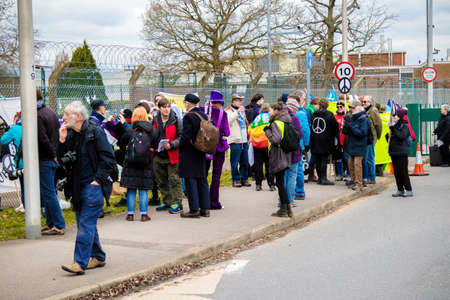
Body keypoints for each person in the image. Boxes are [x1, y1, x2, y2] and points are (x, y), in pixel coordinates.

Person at [58, 101, 116, 275]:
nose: (63, 117)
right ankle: (98, 256)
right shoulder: (71, 134)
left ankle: (79, 262)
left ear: (77, 116)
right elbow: (62, 160)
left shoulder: (94, 132)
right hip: (76, 187)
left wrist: (97, 181)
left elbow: (108, 159)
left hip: (93, 187)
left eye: (67, 114)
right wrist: (61, 140)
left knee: (85, 224)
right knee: (86, 224)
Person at [37, 89, 66, 235]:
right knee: (49, 191)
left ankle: (58, 224)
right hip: (53, 158)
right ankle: (51, 222)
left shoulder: (37, 116)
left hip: (45, 158)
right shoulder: (51, 112)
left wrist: (52, 153)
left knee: (49, 193)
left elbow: (42, 139)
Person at [120, 106, 155, 221]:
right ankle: (144, 215)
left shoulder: (130, 130)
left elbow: (122, 141)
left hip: (131, 163)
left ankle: (130, 214)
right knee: (143, 189)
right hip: (145, 163)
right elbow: (155, 143)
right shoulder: (150, 130)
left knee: (131, 188)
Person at [179, 94, 210, 218]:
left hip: (190, 153)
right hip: (202, 151)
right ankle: (205, 209)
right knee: (202, 179)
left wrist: (179, 146)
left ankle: (194, 209)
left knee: (190, 180)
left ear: (188, 103)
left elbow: (186, 137)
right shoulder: (204, 115)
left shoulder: (189, 117)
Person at [152, 97, 183, 214]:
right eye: (164, 107)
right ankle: (167, 202)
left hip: (172, 155)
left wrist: (172, 144)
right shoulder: (155, 120)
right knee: (161, 180)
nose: (167, 109)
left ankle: (177, 203)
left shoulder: (176, 120)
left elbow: (181, 138)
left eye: (168, 107)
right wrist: (153, 145)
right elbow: (152, 135)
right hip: (158, 155)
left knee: (174, 179)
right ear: (159, 108)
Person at [264, 103, 292, 218]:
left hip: (278, 155)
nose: (269, 113)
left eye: (270, 110)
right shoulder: (286, 120)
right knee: (281, 182)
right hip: (286, 154)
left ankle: (284, 209)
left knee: (280, 183)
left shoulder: (276, 123)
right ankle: (287, 209)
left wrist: (267, 131)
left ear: (275, 110)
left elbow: (275, 139)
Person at [204, 91, 230, 209]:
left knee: (203, 174)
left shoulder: (203, 111)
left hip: (205, 147)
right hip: (219, 147)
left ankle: (202, 201)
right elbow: (227, 132)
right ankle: (214, 202)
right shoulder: (222, 114)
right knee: (216, 175)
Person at [309, 98, 339, 185]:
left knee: (318, 159)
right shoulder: (329, 114)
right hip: (325, 140)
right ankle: (323, 178)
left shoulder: (314, 114)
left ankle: (319, 178)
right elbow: (335, 127)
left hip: (315, 139)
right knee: (323, 159)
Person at [343, 100, 370, 191]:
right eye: (351, 108)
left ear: (358, 108)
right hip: (352, 144)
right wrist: (345, 126)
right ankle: (355, 181)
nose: (352, 109)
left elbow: (362, 133)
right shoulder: (352, 118)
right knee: (350, 164)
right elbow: (346, 132)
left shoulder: (364, 119)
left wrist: (351, 127)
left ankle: (359, 183)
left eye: (353, 108)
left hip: (360, 145)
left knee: (357, 164)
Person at [225, 94, 251, 188]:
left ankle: (244, 179)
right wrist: (237, 112)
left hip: (244, 140)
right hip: (235, 140)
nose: (241, 102)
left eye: (241, 100)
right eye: (239, 100)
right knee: (235, 162)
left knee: (245, 161)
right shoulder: (228, 111)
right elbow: (228, 121)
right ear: (233, 101)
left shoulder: (241, 111)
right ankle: (235, 179)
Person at [387, 108, 413, 197]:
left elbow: (401, 136)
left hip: (401, 152)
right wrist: (388, 134)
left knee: (403, 172)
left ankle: (409, 190)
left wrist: (393, 129)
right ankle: (400, 189)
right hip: (393, 152)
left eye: (396, 115)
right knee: (397, 172)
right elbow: (388, 138)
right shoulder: (394, 125)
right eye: (394, 115)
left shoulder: (404, 126)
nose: (394, 117)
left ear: (400, 116)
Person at [248, 103, 275, 191]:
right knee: (269, 164)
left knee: (258, 164)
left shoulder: (257, 118)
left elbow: (249, 130)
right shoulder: (270, 118)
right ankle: (271, 184)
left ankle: (258, 184)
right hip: (267, 143)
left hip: (257, 144)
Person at [0, 113, 24, 207]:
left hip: (22, 164)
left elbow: (3, 140)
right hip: (40, 161)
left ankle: (27, 207)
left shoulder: (15, 129)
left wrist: (13, 126)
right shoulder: (38, 124)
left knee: (25, 186)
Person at [292, 91, 310, 200]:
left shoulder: (299, 112)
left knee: (296, 169)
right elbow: (305, 130)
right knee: (298, 169)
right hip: (299, 144)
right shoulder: (301, 113)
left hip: (295, 144)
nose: (305, 100)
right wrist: (307, 144)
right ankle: (299, 191)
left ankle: (298, 190)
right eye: (304, 98)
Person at [284, 98, 303, 206]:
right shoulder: (294, 118)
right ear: (294, 108)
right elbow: (300, 134)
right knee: (292, 176)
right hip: (293, 151)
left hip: (281, 152)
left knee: (283, 176)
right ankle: (290, 200)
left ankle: (282, 199)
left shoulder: (278, 116)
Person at [360, 95, 382, 184]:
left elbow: (378, 125)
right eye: (363, 102)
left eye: (365, 102)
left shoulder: (373, 110)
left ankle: (372, 177)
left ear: (370, 102)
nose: (363, 103)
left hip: (371, 138)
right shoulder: (365, 111)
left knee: (370, 158)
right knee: (366, 158)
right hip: (365, 138)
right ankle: (368, 176)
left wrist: (377, 136)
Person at [305, 98, 320, 182]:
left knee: (313, 155)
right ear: (315, 104)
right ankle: (311, 174)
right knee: (313, 156)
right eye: (318, 105)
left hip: (311, 135)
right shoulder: (310, 111)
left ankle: (311, 174)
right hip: (311, 136)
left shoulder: (309, 109)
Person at [334, 100, 349, 181]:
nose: (339, 108)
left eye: (341, 106)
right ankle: (340, 173)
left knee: (346, 158)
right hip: (337, 141)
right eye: (338, 107)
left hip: (345, 141)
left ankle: (349, 173)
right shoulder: (334, 116)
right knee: (338, 158)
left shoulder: (346, 116)